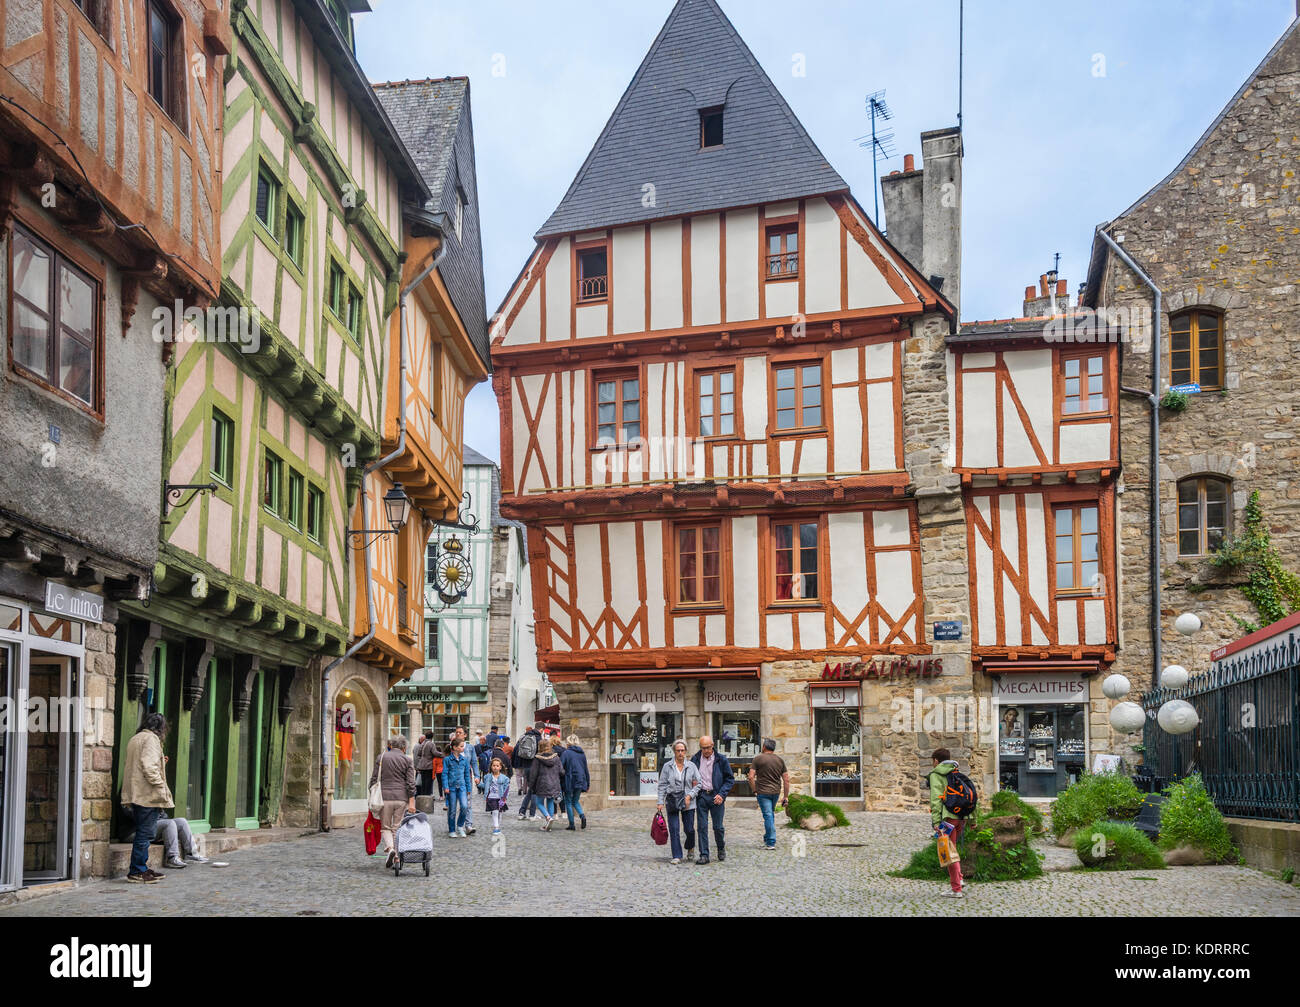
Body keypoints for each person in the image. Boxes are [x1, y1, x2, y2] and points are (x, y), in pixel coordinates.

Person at [120, 712, 174, 884]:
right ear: (160, 728)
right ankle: (137, 870)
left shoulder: (136, 738)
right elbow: (148, 767)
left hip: (137, 792)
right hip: (146, 794)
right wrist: (160, 786)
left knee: (144, 831)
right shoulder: (151, 740)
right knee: (145, 833)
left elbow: (139, 764)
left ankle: (141, 867)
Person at [369, 735, 416, 868]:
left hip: (384, 797)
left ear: (391, 745)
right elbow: (411, 783)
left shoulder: (382, 757)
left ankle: (390, 848)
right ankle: (396, 857)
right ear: (404, 747)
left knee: (385, 827)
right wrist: (411, 801)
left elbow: (374, 779)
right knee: (397, 827)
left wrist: (372, 794)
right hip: (401, 798)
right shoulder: (407, 760)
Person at [927, 748, 967, 899]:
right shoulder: (956, 771)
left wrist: (936, 821)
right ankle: (960, 879)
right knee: (953, 848)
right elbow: (968, 793)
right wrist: (973, 820)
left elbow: (936, 800)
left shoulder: (936, 774)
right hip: (960, 817)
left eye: (933, 761)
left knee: (948, 853)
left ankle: (956, 889)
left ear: (936, 761)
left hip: (947, 819)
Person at [689, 735, 734, 864]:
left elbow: (729, 779)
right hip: (702, 796)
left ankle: (721, 848)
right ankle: (704, 855)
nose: (706, 751)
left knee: (718, 827)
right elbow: (690, 777)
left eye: (708, 748)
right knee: (702, 827)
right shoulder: (695, 759)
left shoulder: (721, 760)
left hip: (716, 796)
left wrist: (722, 794)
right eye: (703, 748)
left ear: (713, 745)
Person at [656, 739, 702, 865]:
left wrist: (690, 796)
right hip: (672, 801)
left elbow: (699, 784)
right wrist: (660, 801)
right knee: (674, 829)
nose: (680, 753)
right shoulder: (667, 766)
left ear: (686, 752)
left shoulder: (691, 766)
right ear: (674, 752)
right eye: (678, 751)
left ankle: (690, 846)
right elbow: (662, 785)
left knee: (689, 829)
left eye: (682, 750)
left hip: (688, 802)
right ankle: (677, 855)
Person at [747, 738, 790, 851]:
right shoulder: (780, 760)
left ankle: (771, 842)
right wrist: (786, 796)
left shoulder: (758, 759)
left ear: (764, 747)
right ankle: (767, 838)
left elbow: (750, 777)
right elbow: (786, 779)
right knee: (769, 815)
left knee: (768, 815)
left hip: (762, 792)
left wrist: (754, 790)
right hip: (775, 792)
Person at [526, 735, 565, 831]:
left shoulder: (537, 759)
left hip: (542, 783)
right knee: (550, 801)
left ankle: (548, 818)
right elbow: (562, 772)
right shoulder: (556, 757)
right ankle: (549, 824)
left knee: (539, 803)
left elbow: (533, 774)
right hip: (554, 783)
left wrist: (531, 786)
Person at [452, 727, 480, 830]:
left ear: (465, 735)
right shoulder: (452, 747)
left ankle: (468, 825)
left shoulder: (470, 748)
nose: (458, 734)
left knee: (467, 803)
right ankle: (453, 825)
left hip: (466, 778)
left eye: (460, 732)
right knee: (454, 804)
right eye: (457, 732)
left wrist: (477, 776)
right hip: (454, 778)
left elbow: (474, 763)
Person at [559, 737, 590, 831]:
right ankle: (582, 816)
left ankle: (571, 824)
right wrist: (588, 783)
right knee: (575, 801)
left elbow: (560, 767)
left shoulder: (566, 753)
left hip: (570, 779)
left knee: (568, 801)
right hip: (581, 779)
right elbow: (586, 769)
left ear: (568, 743)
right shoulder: (582, 753)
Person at [513, 725, 542, 818]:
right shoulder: (538, 738)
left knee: (530, 791)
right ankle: (532, 814)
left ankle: (522, 812)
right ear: (541, 730)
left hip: (526, 767)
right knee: (534, 791)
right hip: (535, 767)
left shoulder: (525, 737)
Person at [484, 757, 512, 835]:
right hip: (491, 797)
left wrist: (504, 798)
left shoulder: (505, 778)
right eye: (493, 765)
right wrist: (478, 784)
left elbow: (506, 788)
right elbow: (485, 785)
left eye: (497, 766)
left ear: (500, 767)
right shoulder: (488, 777)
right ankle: (496, 827)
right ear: (491, 767)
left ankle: (498, 826)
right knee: (495, 811)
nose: (495, 767)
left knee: (500, 813)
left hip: (500, 798)